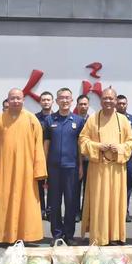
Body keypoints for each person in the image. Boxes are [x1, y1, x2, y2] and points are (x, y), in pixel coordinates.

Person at [0, 88, 47, 244]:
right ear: (8, 100)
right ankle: (4, 235)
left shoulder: (32, 120)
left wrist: (39, 170)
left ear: (23, 100)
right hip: (5, 169)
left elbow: (39, 147)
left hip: (27, 170)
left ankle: (27, 235)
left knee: (27, 203)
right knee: (5, 202)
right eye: (13, 98)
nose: (16, 101)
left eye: (18, 98)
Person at [79, 87, 132, 246]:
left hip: (117, 169)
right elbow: (83, 140)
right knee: (98, 201)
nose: (108, 101)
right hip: (98, 169)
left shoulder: (122, 120)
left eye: (111, 98)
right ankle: (98, 236)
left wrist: (120, 148)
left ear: (116, 101)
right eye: (105, 98)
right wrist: (98, 146)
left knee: (116, 201)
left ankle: (115, 235)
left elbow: (130, 141)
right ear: (101, 101)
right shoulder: (93, 119)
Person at [44, 88, 85, 245]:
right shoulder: (49, 120)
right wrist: (44, 166)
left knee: (71, 202)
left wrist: (81, 166)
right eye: (61, 98)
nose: (65, 100)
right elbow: (45, 145)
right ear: (56, 101)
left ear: (72, 100)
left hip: (72, 167)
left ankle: (69, 234)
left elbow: (80, 146)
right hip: (53, 168)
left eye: (67, 98)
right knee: (54, 203)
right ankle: (57, 234)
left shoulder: (78, 121)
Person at [116, 95, 132, 223]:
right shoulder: (111, 119)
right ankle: (115, 210)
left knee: (127, 184)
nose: (122, 106)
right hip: (114, 158)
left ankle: (125, 211)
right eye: (119, 103)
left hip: (128, 157)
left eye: (124, 103)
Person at [35, 91, 54, 220]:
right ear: (40, 102)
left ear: (53, 102)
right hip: (38, 156)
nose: (46, 102)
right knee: (39, 184)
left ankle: (50, 209)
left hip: (53, 156)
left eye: (48, 100)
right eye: (43, 100)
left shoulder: (57, 117)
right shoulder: (34, 118)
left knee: (53, 185)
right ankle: (40, 209)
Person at [75, 94, 90, 221]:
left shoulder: (93, 120)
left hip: (90, 160)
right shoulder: (73, 119)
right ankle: (75, 212)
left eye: (85, 104)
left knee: (88, 188)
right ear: (77, 105)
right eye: (81, 104)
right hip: (75, 159)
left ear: (88, 105)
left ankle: (85, 212)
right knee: (75, 187)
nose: (83, 106)